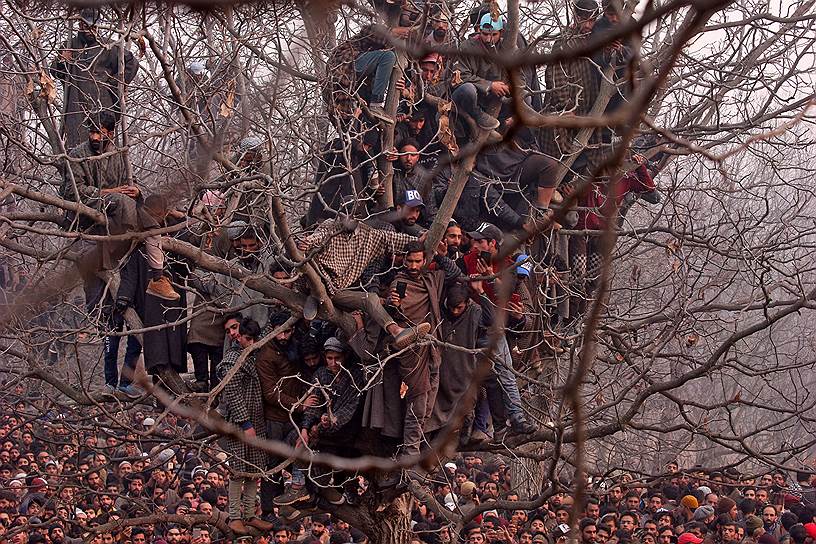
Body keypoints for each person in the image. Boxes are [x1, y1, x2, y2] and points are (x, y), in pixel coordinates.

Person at [62, 113, 179, 301]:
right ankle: (134, 234)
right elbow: (72, 192)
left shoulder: (119, 154)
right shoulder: (77, 155)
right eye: (92, 132)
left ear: (111, 133)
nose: (94, 137)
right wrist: (111, 192)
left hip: (117, 219)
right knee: (95, 292)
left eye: (100, 133)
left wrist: (137, 192)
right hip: (88, 221)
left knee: (146, 212)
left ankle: (158, 276)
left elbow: (129, 185)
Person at [115, 195, 187, 380]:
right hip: (150, 302)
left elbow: (186, 262)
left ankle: (170, 395)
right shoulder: (138, 245)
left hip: (173, 301)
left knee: (173, 347)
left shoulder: (175, 239)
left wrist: (178, 216)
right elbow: (129, 275)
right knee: (157, 352)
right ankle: (161, 395)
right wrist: (124, 297)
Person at [50, 7, 139, 148]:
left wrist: (114, 84)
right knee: (77, 150)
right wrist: (62, 62)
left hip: (102, 108)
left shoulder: (107, 46)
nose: (91, 30)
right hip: (75, 108)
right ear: (80, 25)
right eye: (87, 26)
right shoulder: (69, 46)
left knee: (105, 152)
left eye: (94, 27)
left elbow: (131, 63)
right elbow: (54, 72)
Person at [216, 318, 273, 535]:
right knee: (238, 471)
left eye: (235, 328)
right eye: (230, 330)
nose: (235, 334)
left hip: (257, 419)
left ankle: (250, 514)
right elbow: (232, 394)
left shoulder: (253, 350)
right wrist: (245, 422)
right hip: (241, 423)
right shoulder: (232, 360)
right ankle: (235, 516)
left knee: (254, 470)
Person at [450, 13, 521, 133]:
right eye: (485, 34)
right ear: (479, 30)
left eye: (493, 35)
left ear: (501, 33)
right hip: (470, 100)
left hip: (496, 99)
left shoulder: (509, 49)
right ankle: (478, 115)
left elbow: (520, 77)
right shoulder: (466, 47)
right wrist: (489, 85)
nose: (488, 39)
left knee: (524, 97)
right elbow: (460, 76)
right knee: (468, 89)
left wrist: (509, 86)